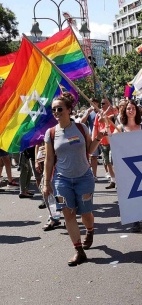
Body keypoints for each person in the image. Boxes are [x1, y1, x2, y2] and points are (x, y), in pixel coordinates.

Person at [42, 92, 107, 266]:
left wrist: (99, 137)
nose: (56, 112)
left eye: (59, 109)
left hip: (84, 178)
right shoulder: (51, 133)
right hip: (61, 180)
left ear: (69, 110)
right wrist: (46, 183)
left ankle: (90, 230)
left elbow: (90, 149)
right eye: (53, 109)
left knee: (86, 213)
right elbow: (49, 160)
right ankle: (79, 251)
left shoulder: (80, 128)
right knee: (68, 214)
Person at [114, 99, 142, 232]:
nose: (131, 110)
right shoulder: (120, 129)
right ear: (125, 111)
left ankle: (141, 213)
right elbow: (114, 144)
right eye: (128, 108)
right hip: (127, 166)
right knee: (132, 192)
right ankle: (135, 220)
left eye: (133, 108)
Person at [93, 98, 117, 189]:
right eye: (101, 103)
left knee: (113, 162)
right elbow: (98, 122)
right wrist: (94, 140)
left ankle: (118, 180)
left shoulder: (114, 111)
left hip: (112, 141)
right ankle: (113, 180)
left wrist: (109, 112)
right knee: (107, 163)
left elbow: (114, 117)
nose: (102, 105)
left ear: (109, 103)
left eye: (104, 103)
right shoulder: (99, 114)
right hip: (103, 142)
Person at [81, 98, 100, 182]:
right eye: (91, 103)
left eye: (94, 103)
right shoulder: (89, 112)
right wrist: (88, 112)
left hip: (104, 136)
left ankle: (110, 175)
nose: (92, 104)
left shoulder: (101, 111)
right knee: (93, 157)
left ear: (97, 103)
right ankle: (94, 175)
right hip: (93, 136)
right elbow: (81, 122)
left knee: (108, 158)